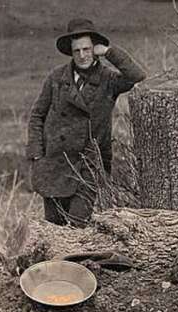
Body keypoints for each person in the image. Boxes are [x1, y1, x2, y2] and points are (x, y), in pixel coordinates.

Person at [27, 18, 147, 227]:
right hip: (55, 163)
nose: (82, 55)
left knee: (76, 225)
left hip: (88, 163)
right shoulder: (56, 78)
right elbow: (37, 115)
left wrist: (110, 52)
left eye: (87, 49)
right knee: (54, 227)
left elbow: (136, 76)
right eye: (77, 51)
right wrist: (37, 153)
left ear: (95, 49)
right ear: (71, 52)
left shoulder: (109, 79)